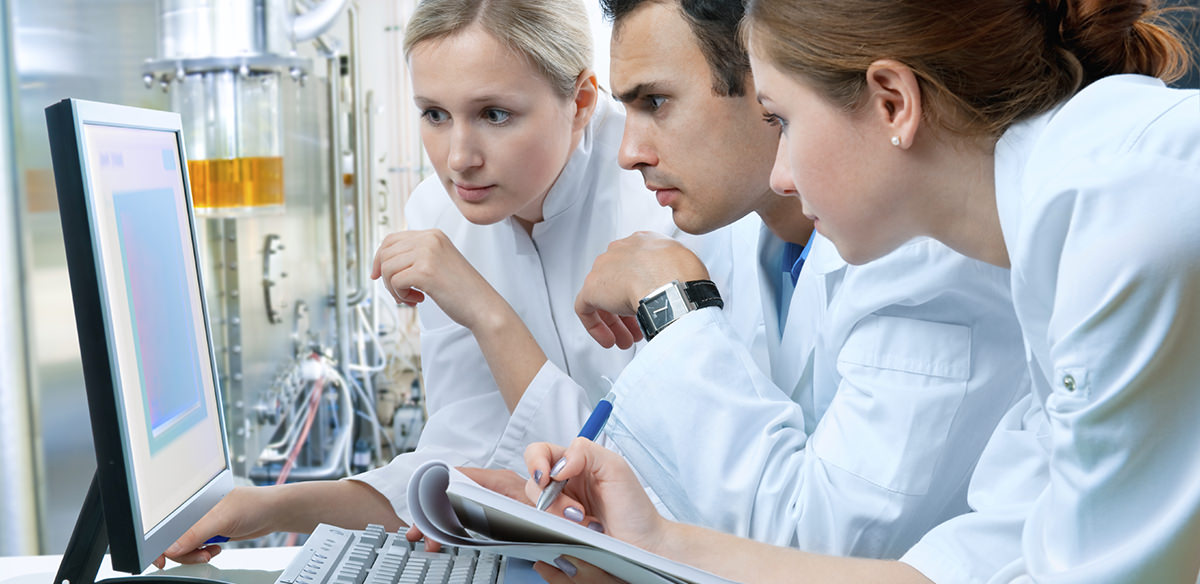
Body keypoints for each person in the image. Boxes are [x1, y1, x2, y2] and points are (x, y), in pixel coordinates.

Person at [524, 0, 1200, 582]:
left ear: (893, 104)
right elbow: (963, 566)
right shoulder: (1056, 232)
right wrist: (654, 544)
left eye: (781, 119)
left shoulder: (1110, 213)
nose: (782, 176)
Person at [155, 0, 694, 565]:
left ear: (582, 101)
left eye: (495, 114)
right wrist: (267, 508)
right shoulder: (440, 213)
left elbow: (624, 502)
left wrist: (487, 313)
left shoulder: (660, 203)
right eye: (434, 114)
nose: (459, 158)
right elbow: (457, 468)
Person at [565, 0, 1028, 561]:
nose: (628, 153)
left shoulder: (925, 249)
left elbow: (818, 548)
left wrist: (676, 310)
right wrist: (568, 508)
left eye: (656, 102)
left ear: (768, 73)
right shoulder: (723, 230)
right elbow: (692, 488)